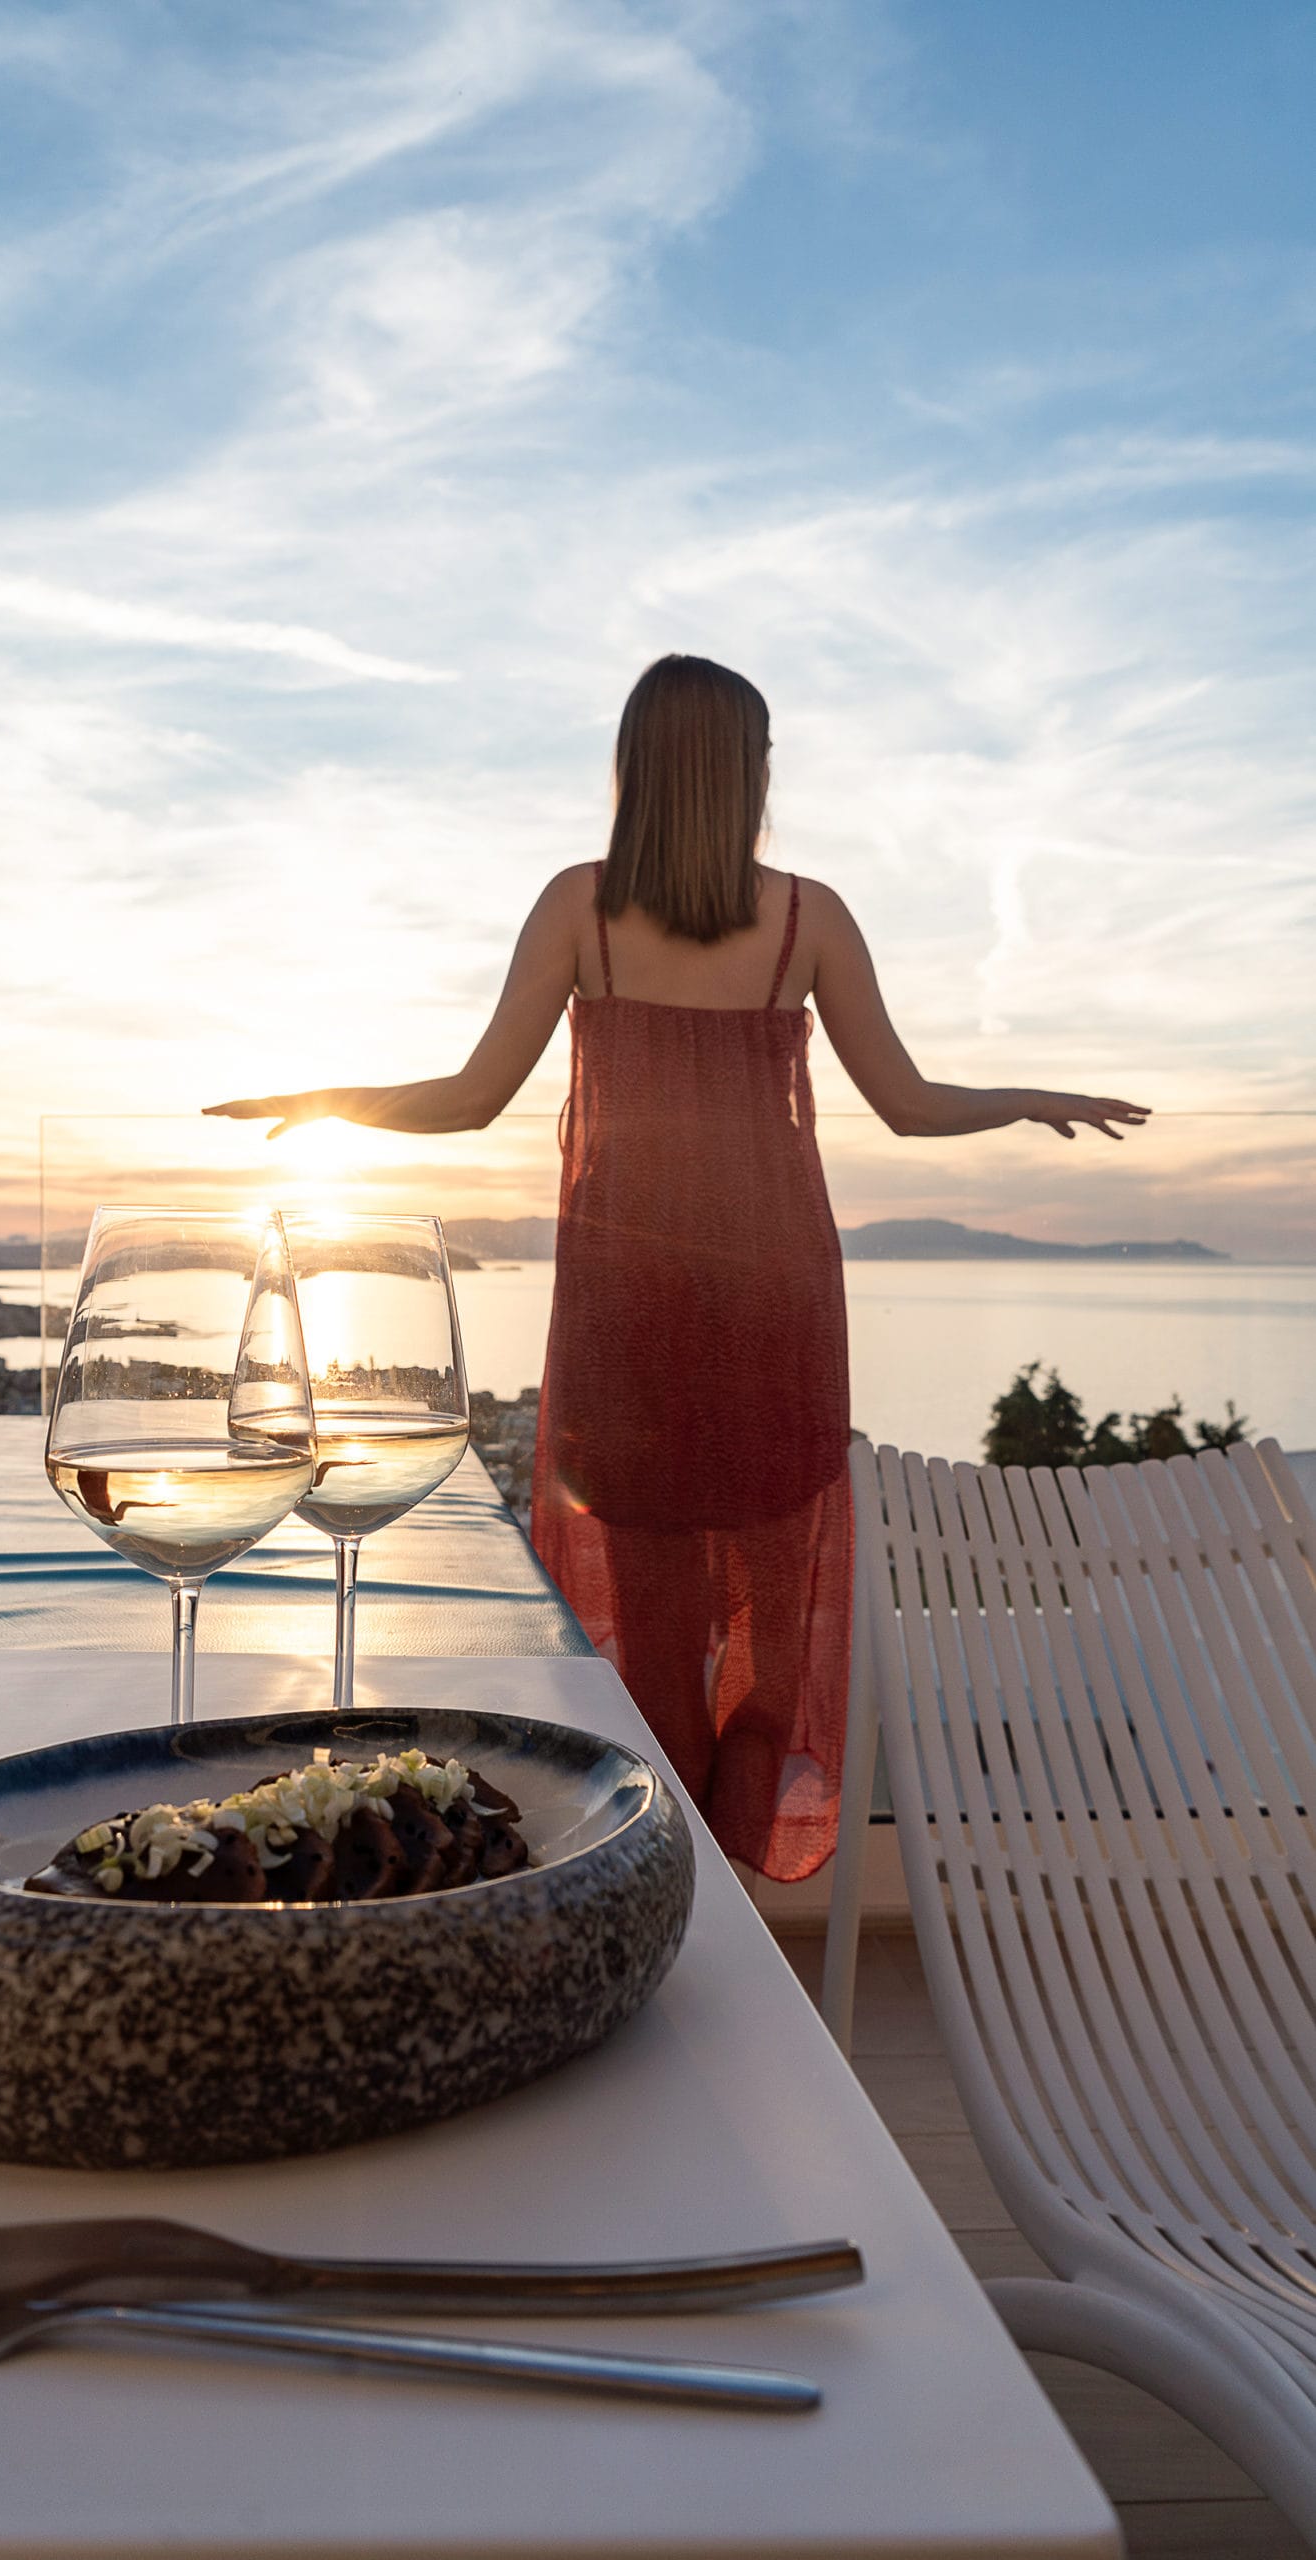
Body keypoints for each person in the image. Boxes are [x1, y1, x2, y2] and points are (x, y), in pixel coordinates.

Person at [208, 654, 1148, 1879]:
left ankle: (660, 1890)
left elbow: (472, 1096)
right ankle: (737, 1900)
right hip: (776, 1310)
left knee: (652, 1636)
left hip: (627, 1310)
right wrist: (1030, 1097)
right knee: (765, 1625)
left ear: (637, 768)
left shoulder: (580, 908)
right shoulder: (807, 917)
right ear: (745, 771)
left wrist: (331, 1102)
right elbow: (909, 1105)